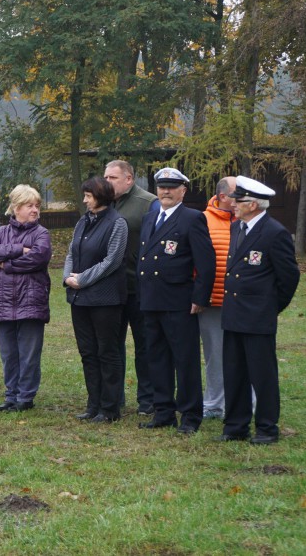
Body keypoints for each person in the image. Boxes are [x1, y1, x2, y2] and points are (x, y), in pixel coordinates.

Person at [218, 176, 300, 445]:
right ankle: (235, 426)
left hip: (257, 317)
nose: (233, 204)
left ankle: (266, 428)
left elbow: (288, 277)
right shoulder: (236, 228)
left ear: (253, 205)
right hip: (233, 315)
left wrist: (270, 307)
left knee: (262, 375)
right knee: (234, 373)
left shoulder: (274, 233)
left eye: (238, 201)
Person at [136, 167, 215, 434]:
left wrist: (200, 297)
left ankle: (191, 416)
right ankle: (163, 412)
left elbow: (206, 262)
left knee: (185, 360)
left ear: (183, 190)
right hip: (152, 299)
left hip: (179, 301)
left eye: (171, 187)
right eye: (162, 187)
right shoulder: (150, 217)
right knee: (156, 358)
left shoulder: (192, 218)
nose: (166, 192)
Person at [63, 178, 128, 422]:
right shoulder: (83, 221)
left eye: (88, 195)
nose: (84, 200)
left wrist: (83, 279)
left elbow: (112, 260)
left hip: (105, 299)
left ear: (100, 195)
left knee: (107, 352)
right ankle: (93, 404)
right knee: (88, 352)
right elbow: (71, 252)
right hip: (80, 299)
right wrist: (67, 277)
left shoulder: (117, 223)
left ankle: (110, 408)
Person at [0, 185, 52, 412]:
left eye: (37, 206)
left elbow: (38, 258)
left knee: (29, 354)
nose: (35, 210)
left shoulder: (41, 233)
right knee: (9, 354)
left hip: (31, 303)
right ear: (16, 208)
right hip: (3, 303)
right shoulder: (0, 232)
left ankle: (25, 397)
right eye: (29, 205)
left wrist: (8, 264)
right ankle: (11, 395)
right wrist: (20, 249)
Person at [104, 159, 157, 414]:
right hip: (111, 288)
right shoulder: (103, 203)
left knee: (144, 345)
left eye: (113, 178)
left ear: (129, 179)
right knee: (112, 346)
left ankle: (147, 400)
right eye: (105, 178)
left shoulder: (148, 203)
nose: (107, 182)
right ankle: (114, 398)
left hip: (139, 287)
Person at [199, 176, 237, 419]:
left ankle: (247, 401)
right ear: (223, 196)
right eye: (238, 194)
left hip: (242, 300)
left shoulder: (246, 218)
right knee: (215, 353)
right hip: (213, 300)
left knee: (245, 353)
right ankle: (214, 404)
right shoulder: (202, 220)